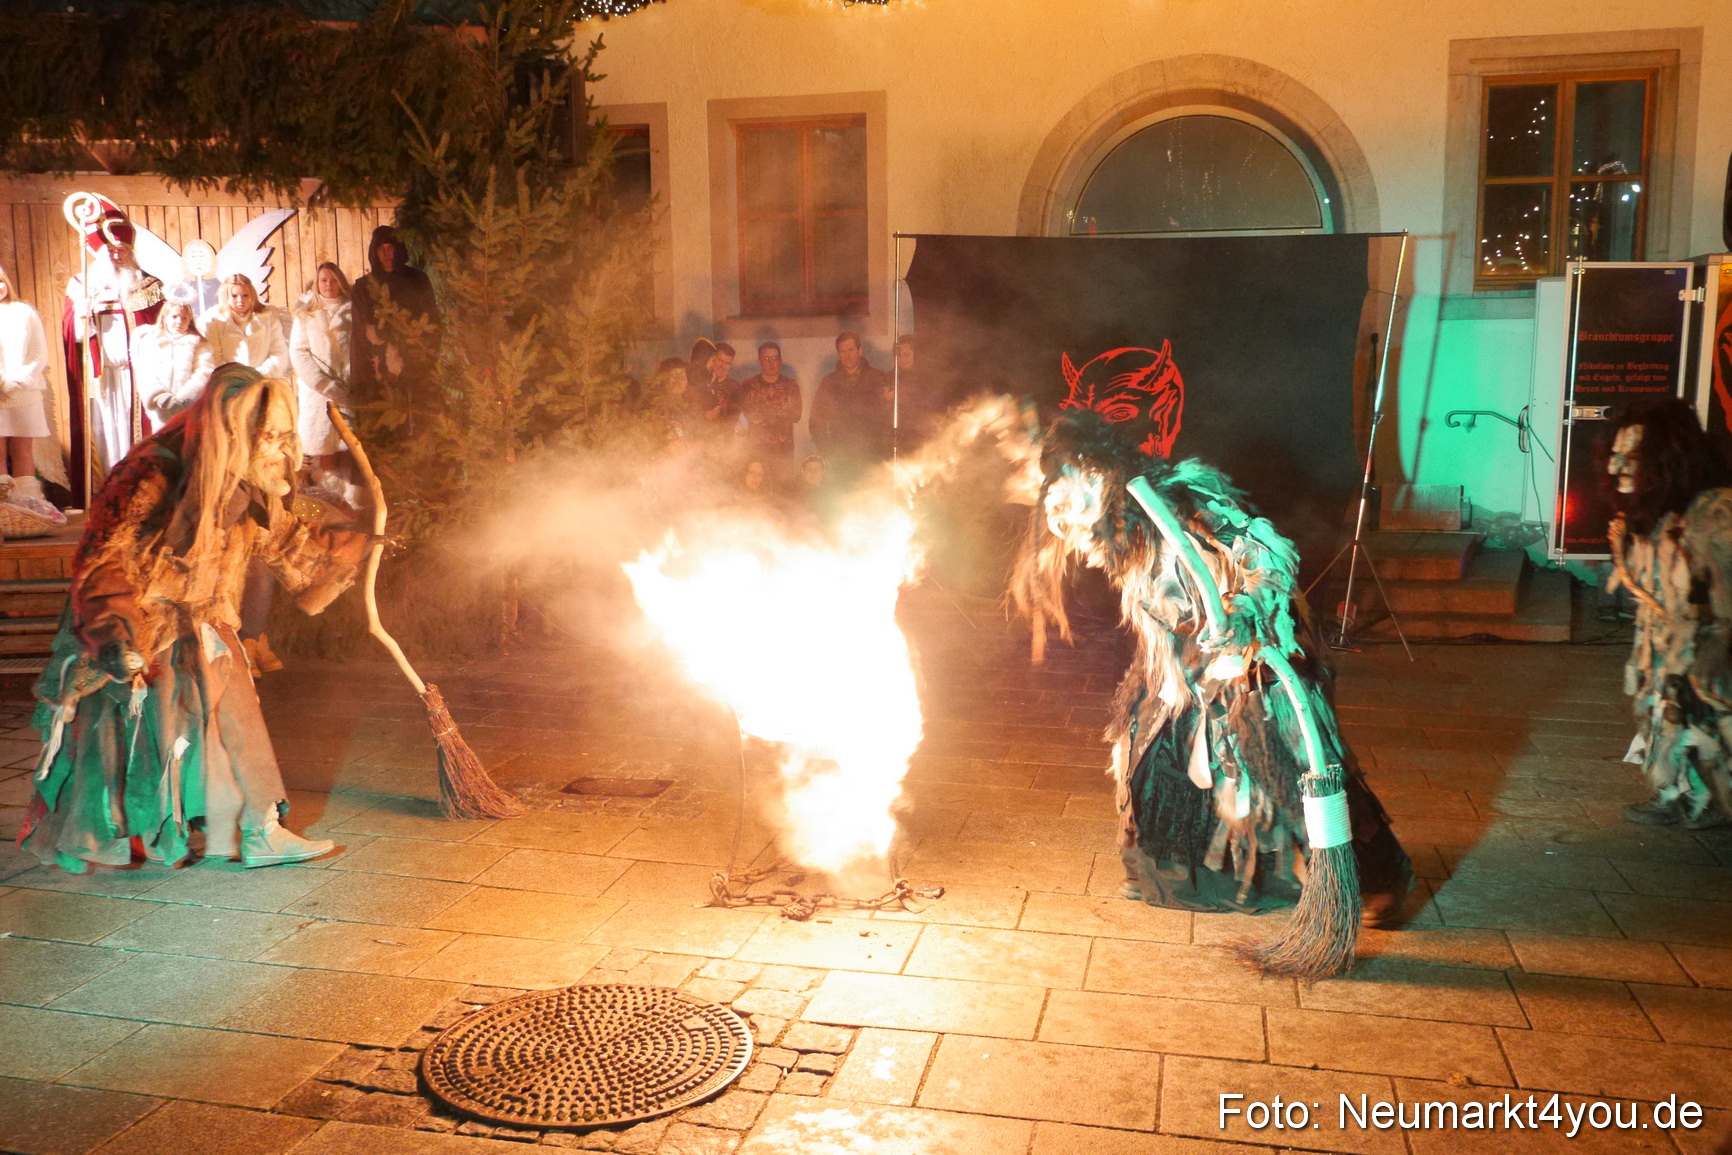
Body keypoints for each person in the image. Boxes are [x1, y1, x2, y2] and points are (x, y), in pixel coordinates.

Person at [1009, 410, 1409, 978]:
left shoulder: (1183, 498)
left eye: (1080, 522)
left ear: (1102, 477)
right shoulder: (1113, 519)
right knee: (1158, 757)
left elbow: (1270, 557)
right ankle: (1220, 879)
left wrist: (1244, 614)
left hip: (1253, 659)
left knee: (1284, 767)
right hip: (1182, 663)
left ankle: (1377, 875)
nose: (1078, 541)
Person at [20, 365, 371, 873]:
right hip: (146, 626)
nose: (279, 448)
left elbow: (286, 540)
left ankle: (257, 829)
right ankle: (126, 830)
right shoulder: (153, 472)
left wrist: (357, 544)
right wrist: (115, 634)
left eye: (283, 435)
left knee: (231, 724)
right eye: (268, 435)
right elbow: (105, 561)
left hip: (207, 620)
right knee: (138, 738)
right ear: (235, 430)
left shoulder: (249, 477)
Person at [1605, 397, 1732, 830]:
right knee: (1667, 715)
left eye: (1632, 456)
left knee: (1715, 720)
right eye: (1614, 454)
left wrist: (1719, 639)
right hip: (1667, 647)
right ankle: (1682, 796)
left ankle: (1712, 801)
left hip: (1712, 648)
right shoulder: (1654, 515)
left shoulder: (1716, 512)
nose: (1617, 466)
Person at [62, 194, 164, 486]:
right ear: (100, 251)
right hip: (101, 376)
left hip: (137, 376)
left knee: (137, 433)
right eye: (111, 250)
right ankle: (105, 490)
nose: (117, 255)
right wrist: (82, 314)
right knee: (104, 433)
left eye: (123, 249)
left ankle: (139, 489)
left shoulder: (148, 285)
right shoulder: (81, 285)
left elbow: (161, 329)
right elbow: (73, 335)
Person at [0, 265, 66, 527]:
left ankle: (26, 508)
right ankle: (4, 512)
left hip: (24, 393)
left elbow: (39, 353)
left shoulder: (25, 312)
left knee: (23, 451)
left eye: (1, 281)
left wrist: (19, 380)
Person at [351, 225, 437, 405]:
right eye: (381, 249)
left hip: (415, 364)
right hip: (378, 368)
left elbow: (432, 320)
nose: (386, 253)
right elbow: (359, 332)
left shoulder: (418, 280)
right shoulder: (363, 287)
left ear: (398, 250)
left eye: (391, 248)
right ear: (375, 252)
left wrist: (424, 356)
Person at [290, 262, 354, 495]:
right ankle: (328, 497)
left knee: (347, 445)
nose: (329, 285)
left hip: (348, 388)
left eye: (333, 279)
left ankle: (351, 499)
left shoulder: (353, 310)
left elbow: (359, 348)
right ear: (317, 283)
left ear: (341, 282)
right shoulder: (306, 313)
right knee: (324, 446)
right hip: (317, 392)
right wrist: (321, 382)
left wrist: (349, 381)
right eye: (324, 280)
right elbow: (298, 352)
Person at [810, 331, 893, 486]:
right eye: (842, 351)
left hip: (873, 455)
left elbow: (889, 418)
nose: (847, 355)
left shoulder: (878, 378)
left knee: (874, 500)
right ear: (838, 353)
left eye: (850, 350)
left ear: (860, 351)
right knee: (845, 501)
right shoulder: (829, 383)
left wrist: (884, 450)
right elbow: (816, 421)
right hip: (843, 456)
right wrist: (828, 451)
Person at [133, 293, 215, 432]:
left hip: (189, 408)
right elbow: (145, 373)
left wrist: (186, 398)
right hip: (161, 409)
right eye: (174, 317)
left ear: (190, 320)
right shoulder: (150, 342)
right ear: (165, 318)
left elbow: (204, 371)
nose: (179, 321)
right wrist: (160, 397)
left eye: (184, 318)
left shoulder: (199, 343)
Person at [203, 275, 289, 379]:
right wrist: (237, 378)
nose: (240, 300)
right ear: (226, 296)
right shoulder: (215, 322)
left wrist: (257, 376)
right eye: (234, 296)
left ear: (252, 295)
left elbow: (279, 353)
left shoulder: (269, 318)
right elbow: (214, 357)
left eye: (245, 295)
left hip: (265, 382)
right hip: (229, 384)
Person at [740, 341, 802, 484]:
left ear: (780, 360)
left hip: (783, 451)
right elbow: (749, 414)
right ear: (759, 360)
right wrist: (780, 410)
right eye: (766, 358)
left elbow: (796, 415)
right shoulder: (749, 385)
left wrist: (764, 411)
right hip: (756, 450)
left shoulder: (791, 385)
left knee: (782, 490)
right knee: (758, 489)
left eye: (774, 358)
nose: (770, 362)